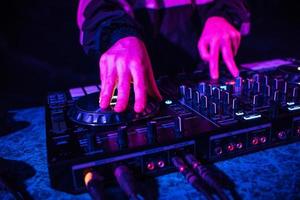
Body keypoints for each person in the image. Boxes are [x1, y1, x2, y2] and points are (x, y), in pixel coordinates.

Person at [77, 0, 250, 113]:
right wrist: (120, 35)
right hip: (138, 84)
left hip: (205, 75)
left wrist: (221, 16)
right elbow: (95, 8)